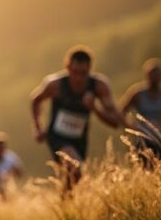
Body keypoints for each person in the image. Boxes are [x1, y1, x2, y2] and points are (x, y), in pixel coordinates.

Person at [30, 46, 121, 189]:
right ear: (67, 67)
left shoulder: (99, 86)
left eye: (83, 73)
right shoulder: (55, 84)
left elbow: (115, 122)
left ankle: (65, 201)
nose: (78, 78)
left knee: (73, 178)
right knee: (76, 167)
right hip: (57, 136)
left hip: (79, 140)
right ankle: (67, 199)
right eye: (74, 72)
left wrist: (94, 108)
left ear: (90, 69)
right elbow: (36, 100)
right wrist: (37, 128)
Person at [120, 58, 161, 165]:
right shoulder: (137, 93)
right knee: (143, 164)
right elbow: (121, 112)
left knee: (159, 165)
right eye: (152, 76)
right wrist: (131, 125)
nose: (155, 79)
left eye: (157, 76)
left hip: (159, 137)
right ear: (147, 76)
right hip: (141, 138)